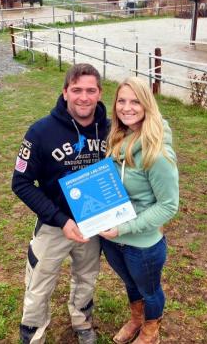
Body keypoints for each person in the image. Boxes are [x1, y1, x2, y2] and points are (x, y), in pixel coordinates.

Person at [12, 64, 110, 344]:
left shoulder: (109, 129)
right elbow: (20, 183)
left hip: (93, 223)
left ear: (99, 94)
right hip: (54, 224)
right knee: (38, 284)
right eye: (76, 90)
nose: (84, 97)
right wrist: (60, 219)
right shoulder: (40, 132)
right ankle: (33, 333)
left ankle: (82, 321)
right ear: (65, 92)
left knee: (86, 278)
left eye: (91, 90)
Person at [99, 77, 180, 344]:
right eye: (121, 101)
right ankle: (136, 319)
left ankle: (151, 329)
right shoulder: (118, 137)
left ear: (147, 105)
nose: (127, 107)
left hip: (142, 244)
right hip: (112, 239)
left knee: (149, 290)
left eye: (135, 101)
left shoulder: (157, 154)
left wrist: (124, 227)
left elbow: (168, 205)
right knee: (131, 285)